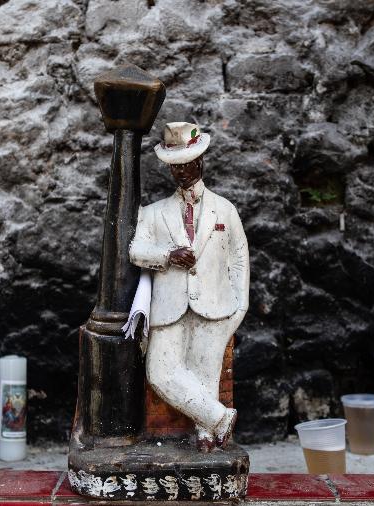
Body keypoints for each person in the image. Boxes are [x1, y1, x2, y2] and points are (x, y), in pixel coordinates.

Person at [129, 122, 250, 451]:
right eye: (175, 166)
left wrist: (240, 307)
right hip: (168, 307)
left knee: (206, 371)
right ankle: (219, 418)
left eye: (187, 163)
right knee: (159, 372)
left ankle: (206, 436)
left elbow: (239, 259)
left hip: (216, 304)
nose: (182, 171)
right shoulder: (153, 214)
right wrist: (168, 255)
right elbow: (136, 252)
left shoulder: (225, 209)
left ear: (200, 162)